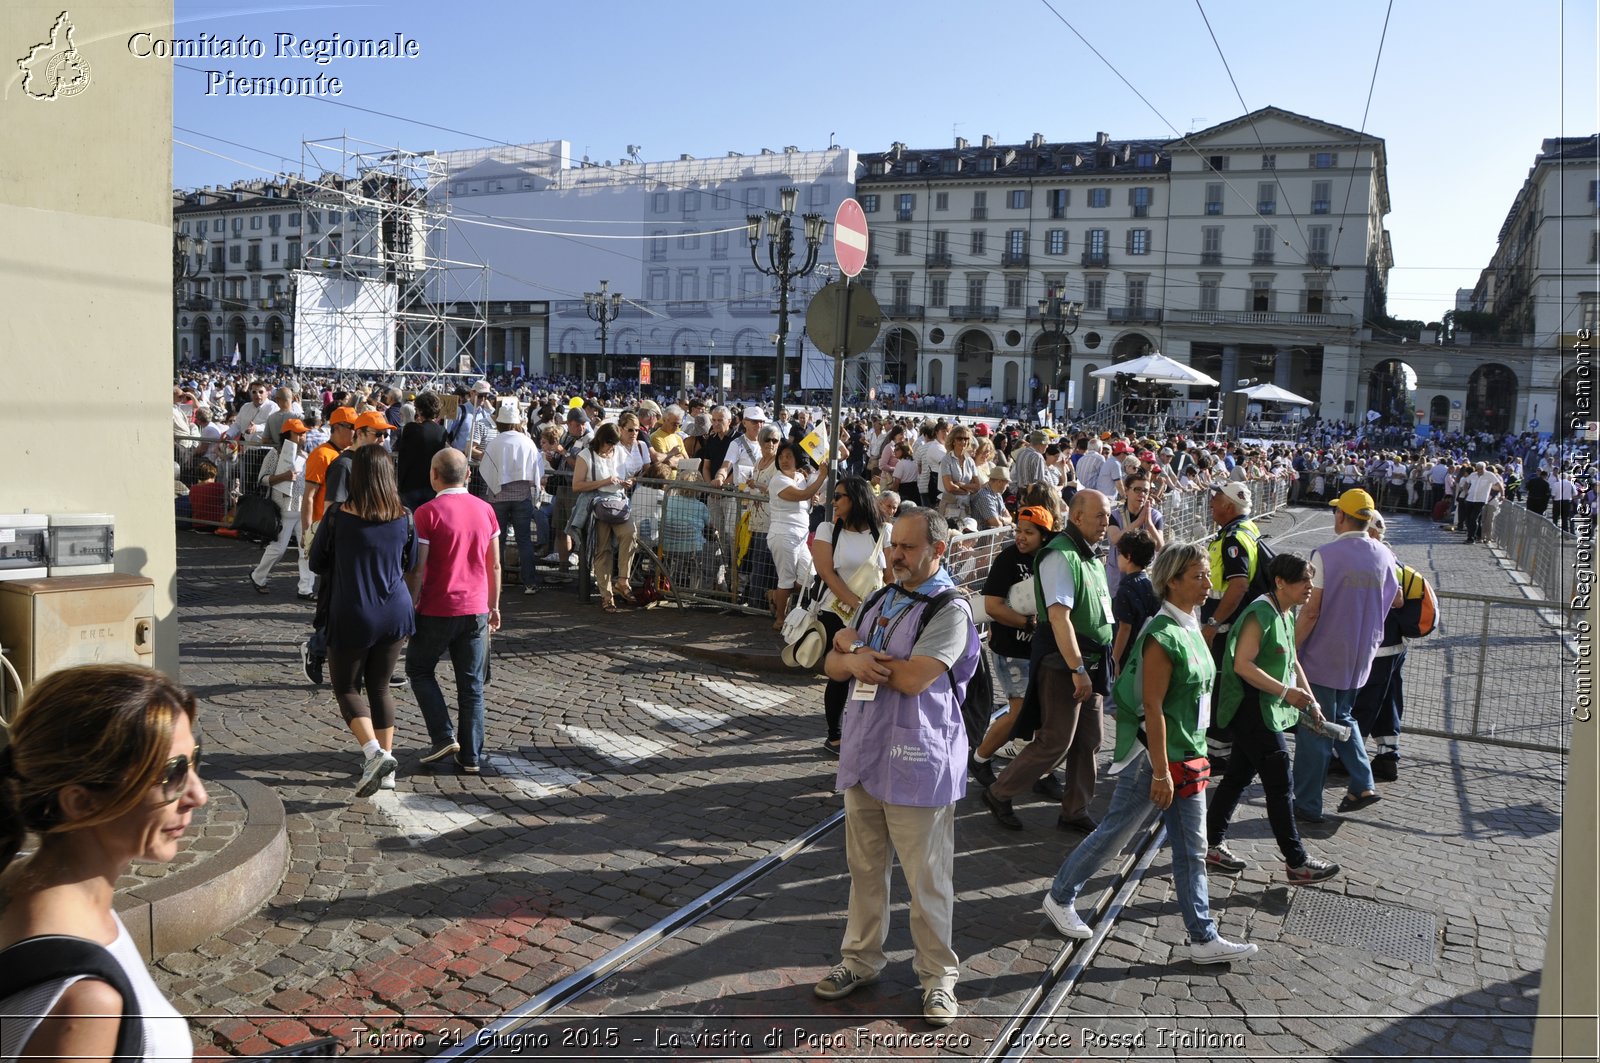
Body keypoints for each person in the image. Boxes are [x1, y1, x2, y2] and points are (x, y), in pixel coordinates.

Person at [1040, 543, 1259, 966]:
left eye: (1205, 575)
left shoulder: (1192, 623)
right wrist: (1160, 772)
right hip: (1156, 759)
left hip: (1186, 754)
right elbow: (1152, 707)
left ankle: (1202, 936)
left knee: (1191, 848)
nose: (1207, 582)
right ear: (1172, 581)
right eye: (1197, 576)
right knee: (1115, 836)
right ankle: (1060, 896)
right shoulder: (1161, 635)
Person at [813, 508, 979, 1027]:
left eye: (908, 547)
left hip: (917, 760)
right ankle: (859, 961)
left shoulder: (950, 608)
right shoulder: (882, 598)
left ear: (938, 550)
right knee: (864, 871)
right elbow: (832, 666)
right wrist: (850, 652)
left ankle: (938, 978)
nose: (896, 555)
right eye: (894, 546)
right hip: (865, 756)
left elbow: (913, 679)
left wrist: (856, 649)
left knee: (927, 879)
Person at [0, 664, 207, 1063]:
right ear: (80, 802)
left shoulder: (16, 875)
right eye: (172, 773)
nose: (198, 795)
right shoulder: (86, 1003)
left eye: (195, 759)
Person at [980, 489, 1113, 834]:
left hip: (1091, 662)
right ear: (1077, 516)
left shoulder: (1090, 557)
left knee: (1089, 739)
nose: (1105, 522)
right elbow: (1059, 617)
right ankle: (999, 791)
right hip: (1065, 662)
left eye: (1107, 515)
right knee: (1055, 739)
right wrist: (1077, 668)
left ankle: (1075, 809)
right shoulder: (1060, 555)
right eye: (1099, 515)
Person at [1205, 552, 1341, 883]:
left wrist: (1310, 701)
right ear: (1280, 582)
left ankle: (1210, 844)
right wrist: (1285, 693)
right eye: (1303, 580)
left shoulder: (1285, 612)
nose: (1310, 586)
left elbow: (1292, 660)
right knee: (1280, 783)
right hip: (1252, 709)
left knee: (1237, 776)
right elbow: (1242, 665)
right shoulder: (1260, 613)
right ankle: (1296, 862)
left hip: (1266, 709)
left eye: (1311, 579)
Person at [308, 445, 416, 797]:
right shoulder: (405, 516)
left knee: (347, 688)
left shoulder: (339, 516)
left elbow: (316, 562)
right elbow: (410, 561)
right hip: (395, 609)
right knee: (381, 687)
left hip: (354, 609)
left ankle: (374, 754)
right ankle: (386, 768)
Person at [1292, 489, 1401, 823]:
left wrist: (1289, 647)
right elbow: (1395, 599)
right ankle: (1364, 783)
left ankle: (1307, 804)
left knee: (1315, 726)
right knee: (1345, 716)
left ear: (1341, 516)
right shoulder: (1383, 554)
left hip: (1325, 654)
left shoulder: (1325, 554)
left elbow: (1311, 611)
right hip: (1362, 654)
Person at [406, 449, 502, 776]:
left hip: (437, 606)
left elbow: (418, 569)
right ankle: (471, 755)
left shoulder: (426, 513)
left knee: (419, 669)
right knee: (472, 684)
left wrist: (410, 605)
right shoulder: (486, 510)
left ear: (434, 475)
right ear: (468, 475)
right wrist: (495, 604)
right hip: (476, 607)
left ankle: (443, 734)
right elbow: (495, 563)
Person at [970, 505, 1053, 786]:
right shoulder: (1007, 559)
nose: (1021, 537)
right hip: (1011, 650)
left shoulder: (1051, 560)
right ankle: (979, 759)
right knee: (1018, 711)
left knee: (1042, 711)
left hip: (1039, 651)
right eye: (1018, 530)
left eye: (1028, 532)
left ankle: (1039, 770)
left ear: (1045, 535)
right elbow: (992, 606)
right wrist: (1028, 624)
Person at [810, 476, 890, 757]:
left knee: (871, 673)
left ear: (856, 499)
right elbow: (826, 573)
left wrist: (876, 610)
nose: (833, 501)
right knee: (840, 674)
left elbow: (890, 576)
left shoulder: (883, 532)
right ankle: (835, 736)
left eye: (840, 496)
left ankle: (867, 731)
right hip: (836, 613)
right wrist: (855, 605)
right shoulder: (827, 529)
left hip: (876, 616)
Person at [481, 398, 546, 596]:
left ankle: (496, 582)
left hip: (498, 496)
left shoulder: (495, 443)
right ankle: (530, 582)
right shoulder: (527, 441)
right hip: (521, 497)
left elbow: (486, 469)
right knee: (524, 540)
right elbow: (538, 470)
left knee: (496, 541)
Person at [571, 422, 637, 613]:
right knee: (603, 550)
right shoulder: (586, 455)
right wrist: (605, 481)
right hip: (597, 505)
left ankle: (623, 580)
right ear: (601, 440)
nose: (611, 448)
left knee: (630, 534)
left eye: (614, 444)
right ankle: (606, 596)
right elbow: (577, 485)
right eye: (609, 444)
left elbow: (631, 474)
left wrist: (629, 482)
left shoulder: (620, 452)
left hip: (618, 502)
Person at [248, 416, 315, 599]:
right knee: (278, 548)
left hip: (302, 509)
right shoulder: (274, 454)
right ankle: (258, 575)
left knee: (306, 549)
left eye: (303, 434)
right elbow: (262, 479)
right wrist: (284, 477)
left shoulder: (305, 455)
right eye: (299, 433)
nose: (303, 437)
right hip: (283, 508)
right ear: (288, 435)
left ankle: (305, 588)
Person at [767, 441, 828, 627]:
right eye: (781, 457)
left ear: (796, 459)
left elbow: (807, 496)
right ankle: (780, 619)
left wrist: (813, 498)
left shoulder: (800, 477)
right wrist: (820, 479)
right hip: (783, 534)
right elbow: (802, 495)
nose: (784, 460)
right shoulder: (778, 480)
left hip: (800, 536)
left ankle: (776, 595)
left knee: (810, 578)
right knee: (786, 579)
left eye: (789, 456)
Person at [1109, 528, 1160, 673]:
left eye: (1120, 554)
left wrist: (1115, 659)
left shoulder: (1125, 589)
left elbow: (1125, 628)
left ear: (1129, 556)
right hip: (1150, 650)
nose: (1118, 558)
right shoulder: (1151, 585)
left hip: (1130, 656)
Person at [1105, 470, 1164, 597]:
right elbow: (1115, 539)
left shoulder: (1155, 516)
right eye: (1137, 490)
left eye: (1146, 491)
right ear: (1126, 491)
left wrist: (1149, 524)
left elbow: (1160, 547)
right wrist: (1138, 522)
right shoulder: (1115, 515)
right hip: (1117, 579)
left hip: (1144, 579)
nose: (1142, 494)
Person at [395, 390, 448, 512]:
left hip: (410, 485)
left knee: (410, 522)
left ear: (419, 410)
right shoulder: (441, 431)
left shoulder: (411, 429)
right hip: (431, 485)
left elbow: (404, 454)